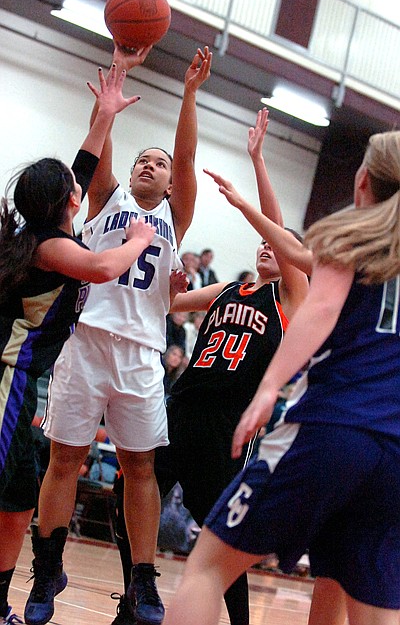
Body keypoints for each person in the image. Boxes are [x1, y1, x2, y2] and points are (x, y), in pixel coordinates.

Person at [162, 130, 400, 625]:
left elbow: (321, 305)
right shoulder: (237, 287)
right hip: (393, 454)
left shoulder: (349, 241)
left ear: (361, 184)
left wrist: (269, 388)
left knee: (205, 568)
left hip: (332, 428)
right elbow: (288, 246)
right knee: (358, 600)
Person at [25, 44, 212, 625]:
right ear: (129, 174)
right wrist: (119, 74)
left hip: (141, 353)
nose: (152, 165)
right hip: (86, 342)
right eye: (142, 161)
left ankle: (143, 582)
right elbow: (97, 144)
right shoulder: (108, 199)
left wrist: (188, 94)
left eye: (158, 162)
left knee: (140, 469)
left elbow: (186, 157)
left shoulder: (175, 218)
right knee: (66, 460)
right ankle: (47, 568)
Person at [111, 107, 309, 625]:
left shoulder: (290, 297)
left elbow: (278, 228)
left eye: (278, 245)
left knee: (222, 535)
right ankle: (134, 599)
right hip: (181, 405)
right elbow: (165, 304)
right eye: (261, 243)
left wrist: (258, 161)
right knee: (124, 493)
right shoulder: (227, 289)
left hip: (227, 426)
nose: (268, 245)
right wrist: (148, 273)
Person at [0, 65, 155, 625]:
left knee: (17, 499)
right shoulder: (54, 249)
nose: (80, 182)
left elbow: (82, 168)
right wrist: (139, 236)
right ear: (69, 199)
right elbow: (103, 265)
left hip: (23, 383)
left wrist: (106, 115)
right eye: (74, 184)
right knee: (7, 494)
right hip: (7, 382)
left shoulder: (41, 232)